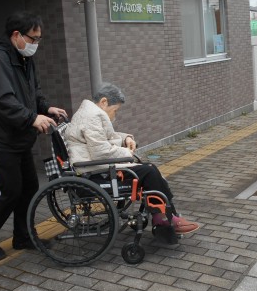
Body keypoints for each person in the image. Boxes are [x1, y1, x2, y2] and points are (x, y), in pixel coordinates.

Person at [0, 11, 67, 260]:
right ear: (16, 35)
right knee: (7, 191)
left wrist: (46, 108)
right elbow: (3, 100)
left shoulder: (24, 58)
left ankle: (23, 237)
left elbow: (33, 92)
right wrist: (32, 118)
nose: (36, 44)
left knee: (29, 187)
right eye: (33, 38)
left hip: (19, 137)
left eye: (38, 39)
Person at [64, 83, 199, 234]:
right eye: (115, 110)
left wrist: (126, 138)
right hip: (96, 171)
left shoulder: (88, 113)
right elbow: (101, 152)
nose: (115, 115)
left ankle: (165, 216)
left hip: (95, 167)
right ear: (104, 102)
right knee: (149, 171)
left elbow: (105, 138)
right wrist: (127, 153)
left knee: (149, 170)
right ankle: (165, 217)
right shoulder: (92, 117)